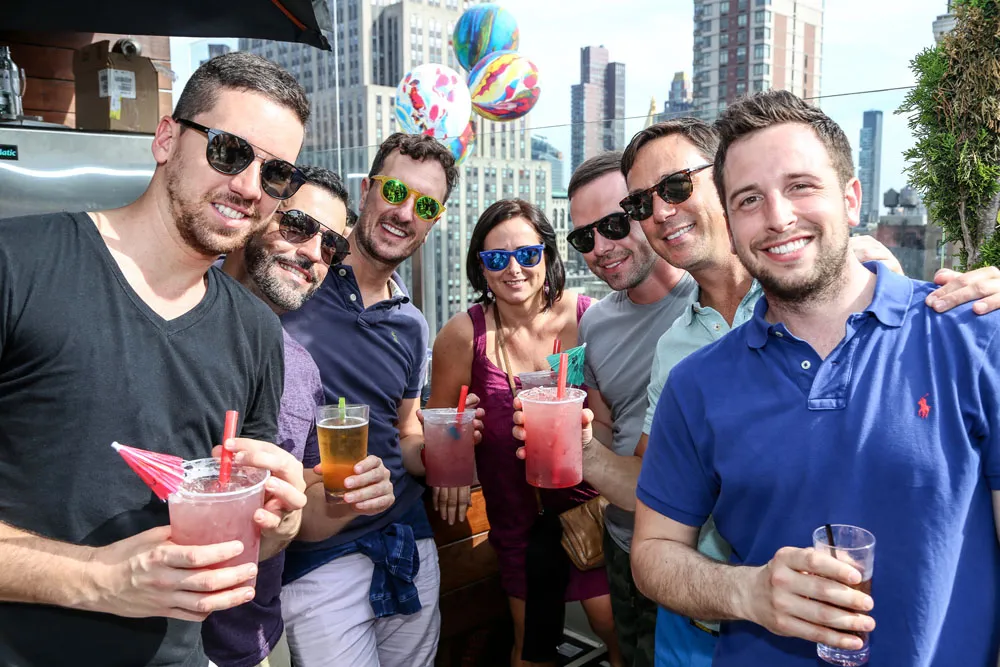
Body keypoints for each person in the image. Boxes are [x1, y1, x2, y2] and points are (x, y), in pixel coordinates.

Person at [632, 90, 1000, 667]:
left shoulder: (973, 336)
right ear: (730, 222)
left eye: (800, 186)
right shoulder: (694, 383)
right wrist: (747, 592)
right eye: (749, 199)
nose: (778, 217)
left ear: (850, 199)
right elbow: (653, 552)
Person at [0, 52, 310, 667]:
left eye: (276, 174)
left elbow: (247, 527)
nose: (250, 188)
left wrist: (278, 524)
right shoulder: (18, 265)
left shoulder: (256, 330)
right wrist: (98, 577)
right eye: (229, 151)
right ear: (166, 138)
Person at [279, 133, 483, 667]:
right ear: (367, 188)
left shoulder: (412, 325)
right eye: (395, 191)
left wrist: (444, 450)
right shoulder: (300, 274)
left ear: (435, 221)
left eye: (426, 206)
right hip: (319, 553)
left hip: (408, 539)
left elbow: (405, 430)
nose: (405, 213)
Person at [205, 166, 396, 667]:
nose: (314, 252)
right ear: (253, 214)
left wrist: (349, 498)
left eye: (331, 244)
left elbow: (303, 519)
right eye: (297, 225)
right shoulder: (174, 321)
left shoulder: (302, 367)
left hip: (252, 640)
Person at [429, 198, 623, 667]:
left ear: (548, 256)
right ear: (481, 266)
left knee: (613, 631)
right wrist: (453, 460)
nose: (513, 269)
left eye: (528, 254)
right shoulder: (463, 335)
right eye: (497, 258)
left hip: (590, 515)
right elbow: (440, 422)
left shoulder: (589, 319)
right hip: (518, 522)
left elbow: (616, 421)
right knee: (531, 648)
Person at [564, 152, 696, 667]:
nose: (600, 248)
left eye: (614, 224)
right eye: (584, 237)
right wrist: (565, 431)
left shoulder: (711, 300)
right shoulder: (594, 324)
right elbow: (605, 425)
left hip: (693, 547)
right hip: (621, 540)